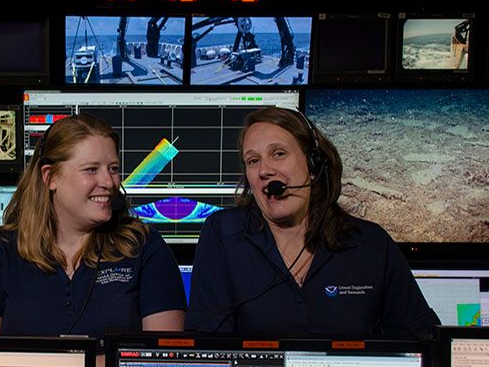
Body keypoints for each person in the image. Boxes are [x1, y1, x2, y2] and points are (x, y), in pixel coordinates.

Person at [185, 107, 439, 338]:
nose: (264, 170)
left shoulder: (370, 244)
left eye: (279, 153)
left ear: (313, 165)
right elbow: (207, 349)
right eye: (253, 160)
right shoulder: (223, 235)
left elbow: (422, 341)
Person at [0, 113, 186, 359]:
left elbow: (162, 365)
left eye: (113, 169)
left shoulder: (145, 249)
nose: (109, 182)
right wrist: (103, 365)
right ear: (50, 177)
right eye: (91, 170)